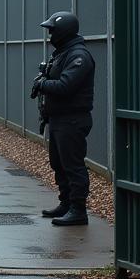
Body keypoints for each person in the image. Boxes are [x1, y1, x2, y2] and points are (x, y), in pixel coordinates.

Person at [30, 11, 95, 227]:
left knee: (73, 165)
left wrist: (42, 84)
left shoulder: (79, 56)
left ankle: (78, 209)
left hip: (72, 119)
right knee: (58, 163)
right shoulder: (62, 53)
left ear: (63, 32)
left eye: (52, 31)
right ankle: (66, 203)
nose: (50, 36)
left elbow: (66, 86)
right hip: (59, 119)